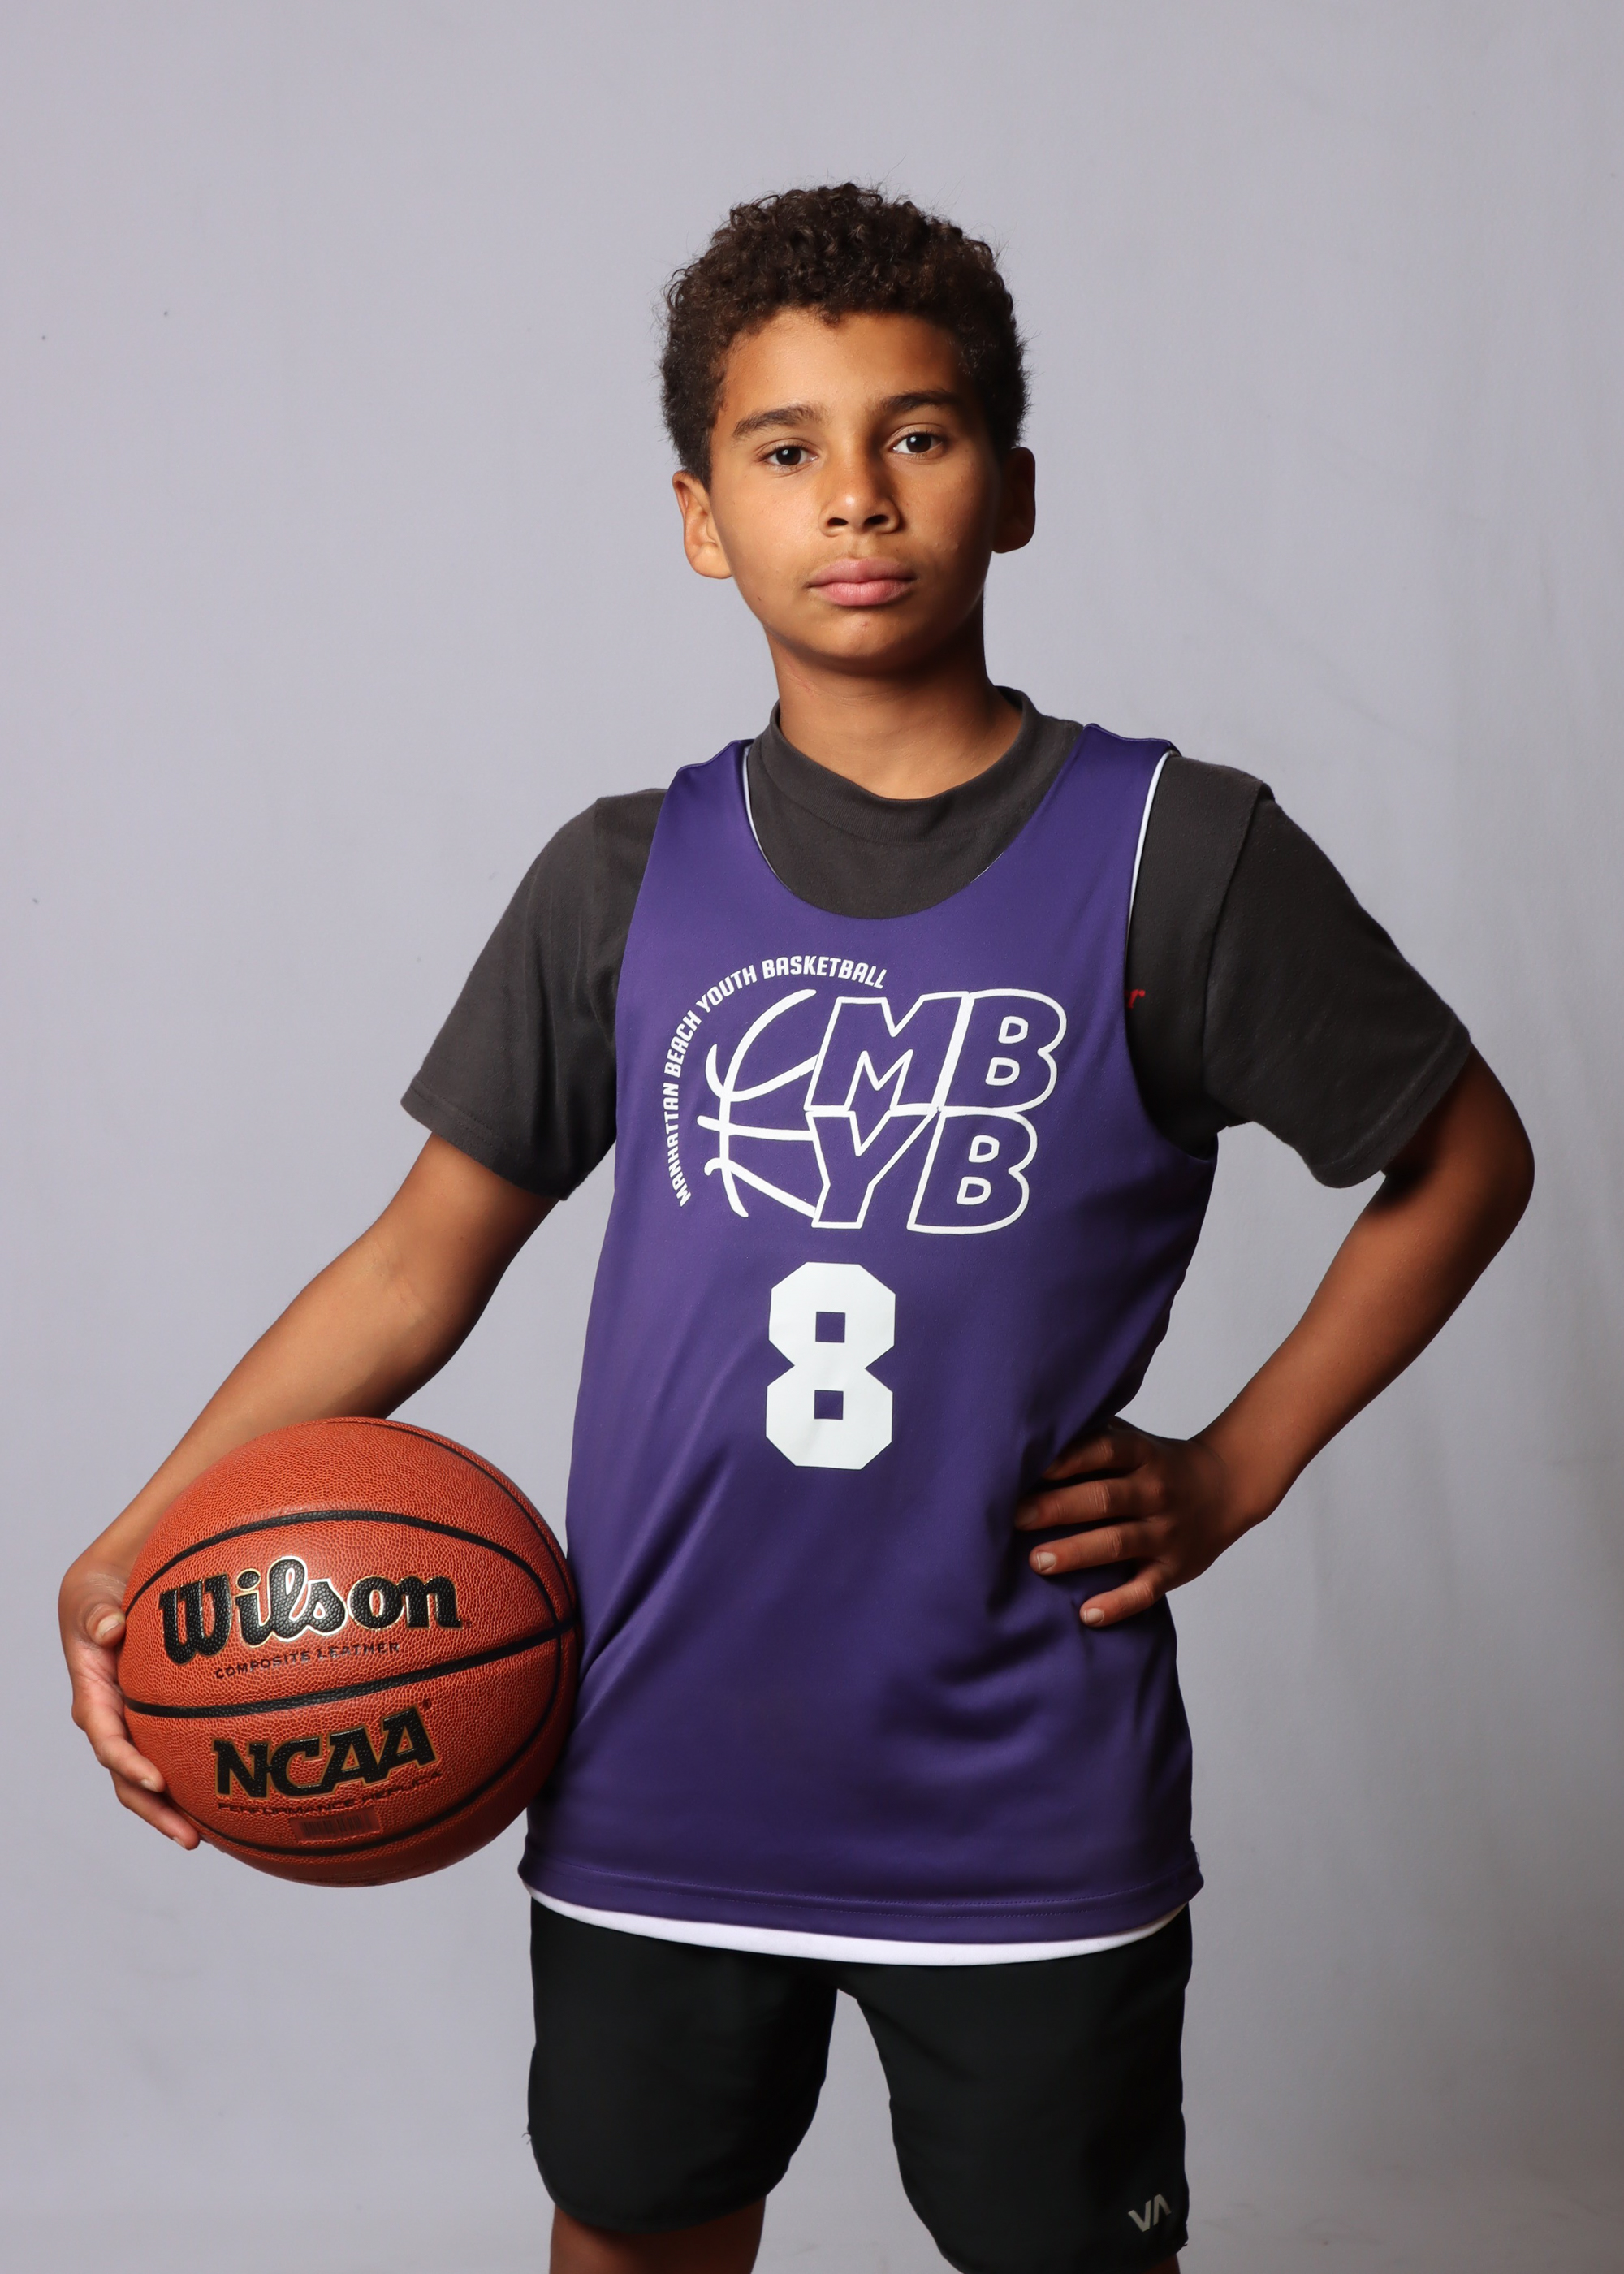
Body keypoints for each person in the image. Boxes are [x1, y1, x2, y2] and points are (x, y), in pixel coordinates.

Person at [59, 184, 1533, 2274]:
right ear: (700, 516)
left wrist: (1235, 1464)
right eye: (784, 449)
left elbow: (1463, 1154)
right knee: (639, 2236)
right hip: (654, 1768)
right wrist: (136, 1537)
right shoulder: (622, 878)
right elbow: (410, 1267)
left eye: (917, 434)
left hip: (1024, 1792)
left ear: (1014, 487)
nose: (856, 494)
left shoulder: (1176, 857)